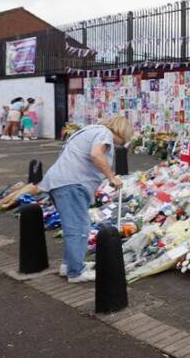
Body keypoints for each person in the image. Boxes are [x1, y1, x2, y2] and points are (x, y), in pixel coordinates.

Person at [38, 117, 133, 283]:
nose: (123, 143)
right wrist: (111, 177)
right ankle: (76, 272)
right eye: (125, 138)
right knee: (79, 227)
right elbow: (96, 155)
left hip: (61, 182)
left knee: (74, 225)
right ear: (120, 131)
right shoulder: (104, 134)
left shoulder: (91, 130)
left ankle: (69, 265)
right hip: (72, 184)